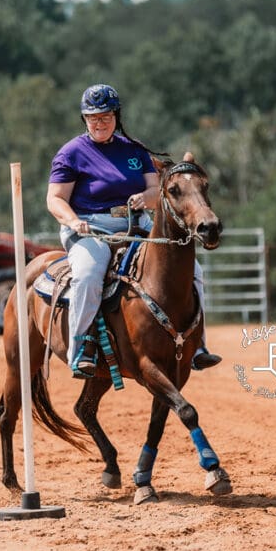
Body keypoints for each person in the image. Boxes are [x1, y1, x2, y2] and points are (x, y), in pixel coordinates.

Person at [47, 83, 222, 378]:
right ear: (84, 120)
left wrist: (146, 198)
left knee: (195, 271)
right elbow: (54, 198)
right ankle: (81, 348)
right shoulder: (71, 153)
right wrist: (73, 221)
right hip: (91, 228)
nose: (99, 123)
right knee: (90, 272)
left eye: (105, 116)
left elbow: (156, 190)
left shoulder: (134, 150)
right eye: (93, 117)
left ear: (117, 116)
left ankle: (198, 346)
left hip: (136, 224)